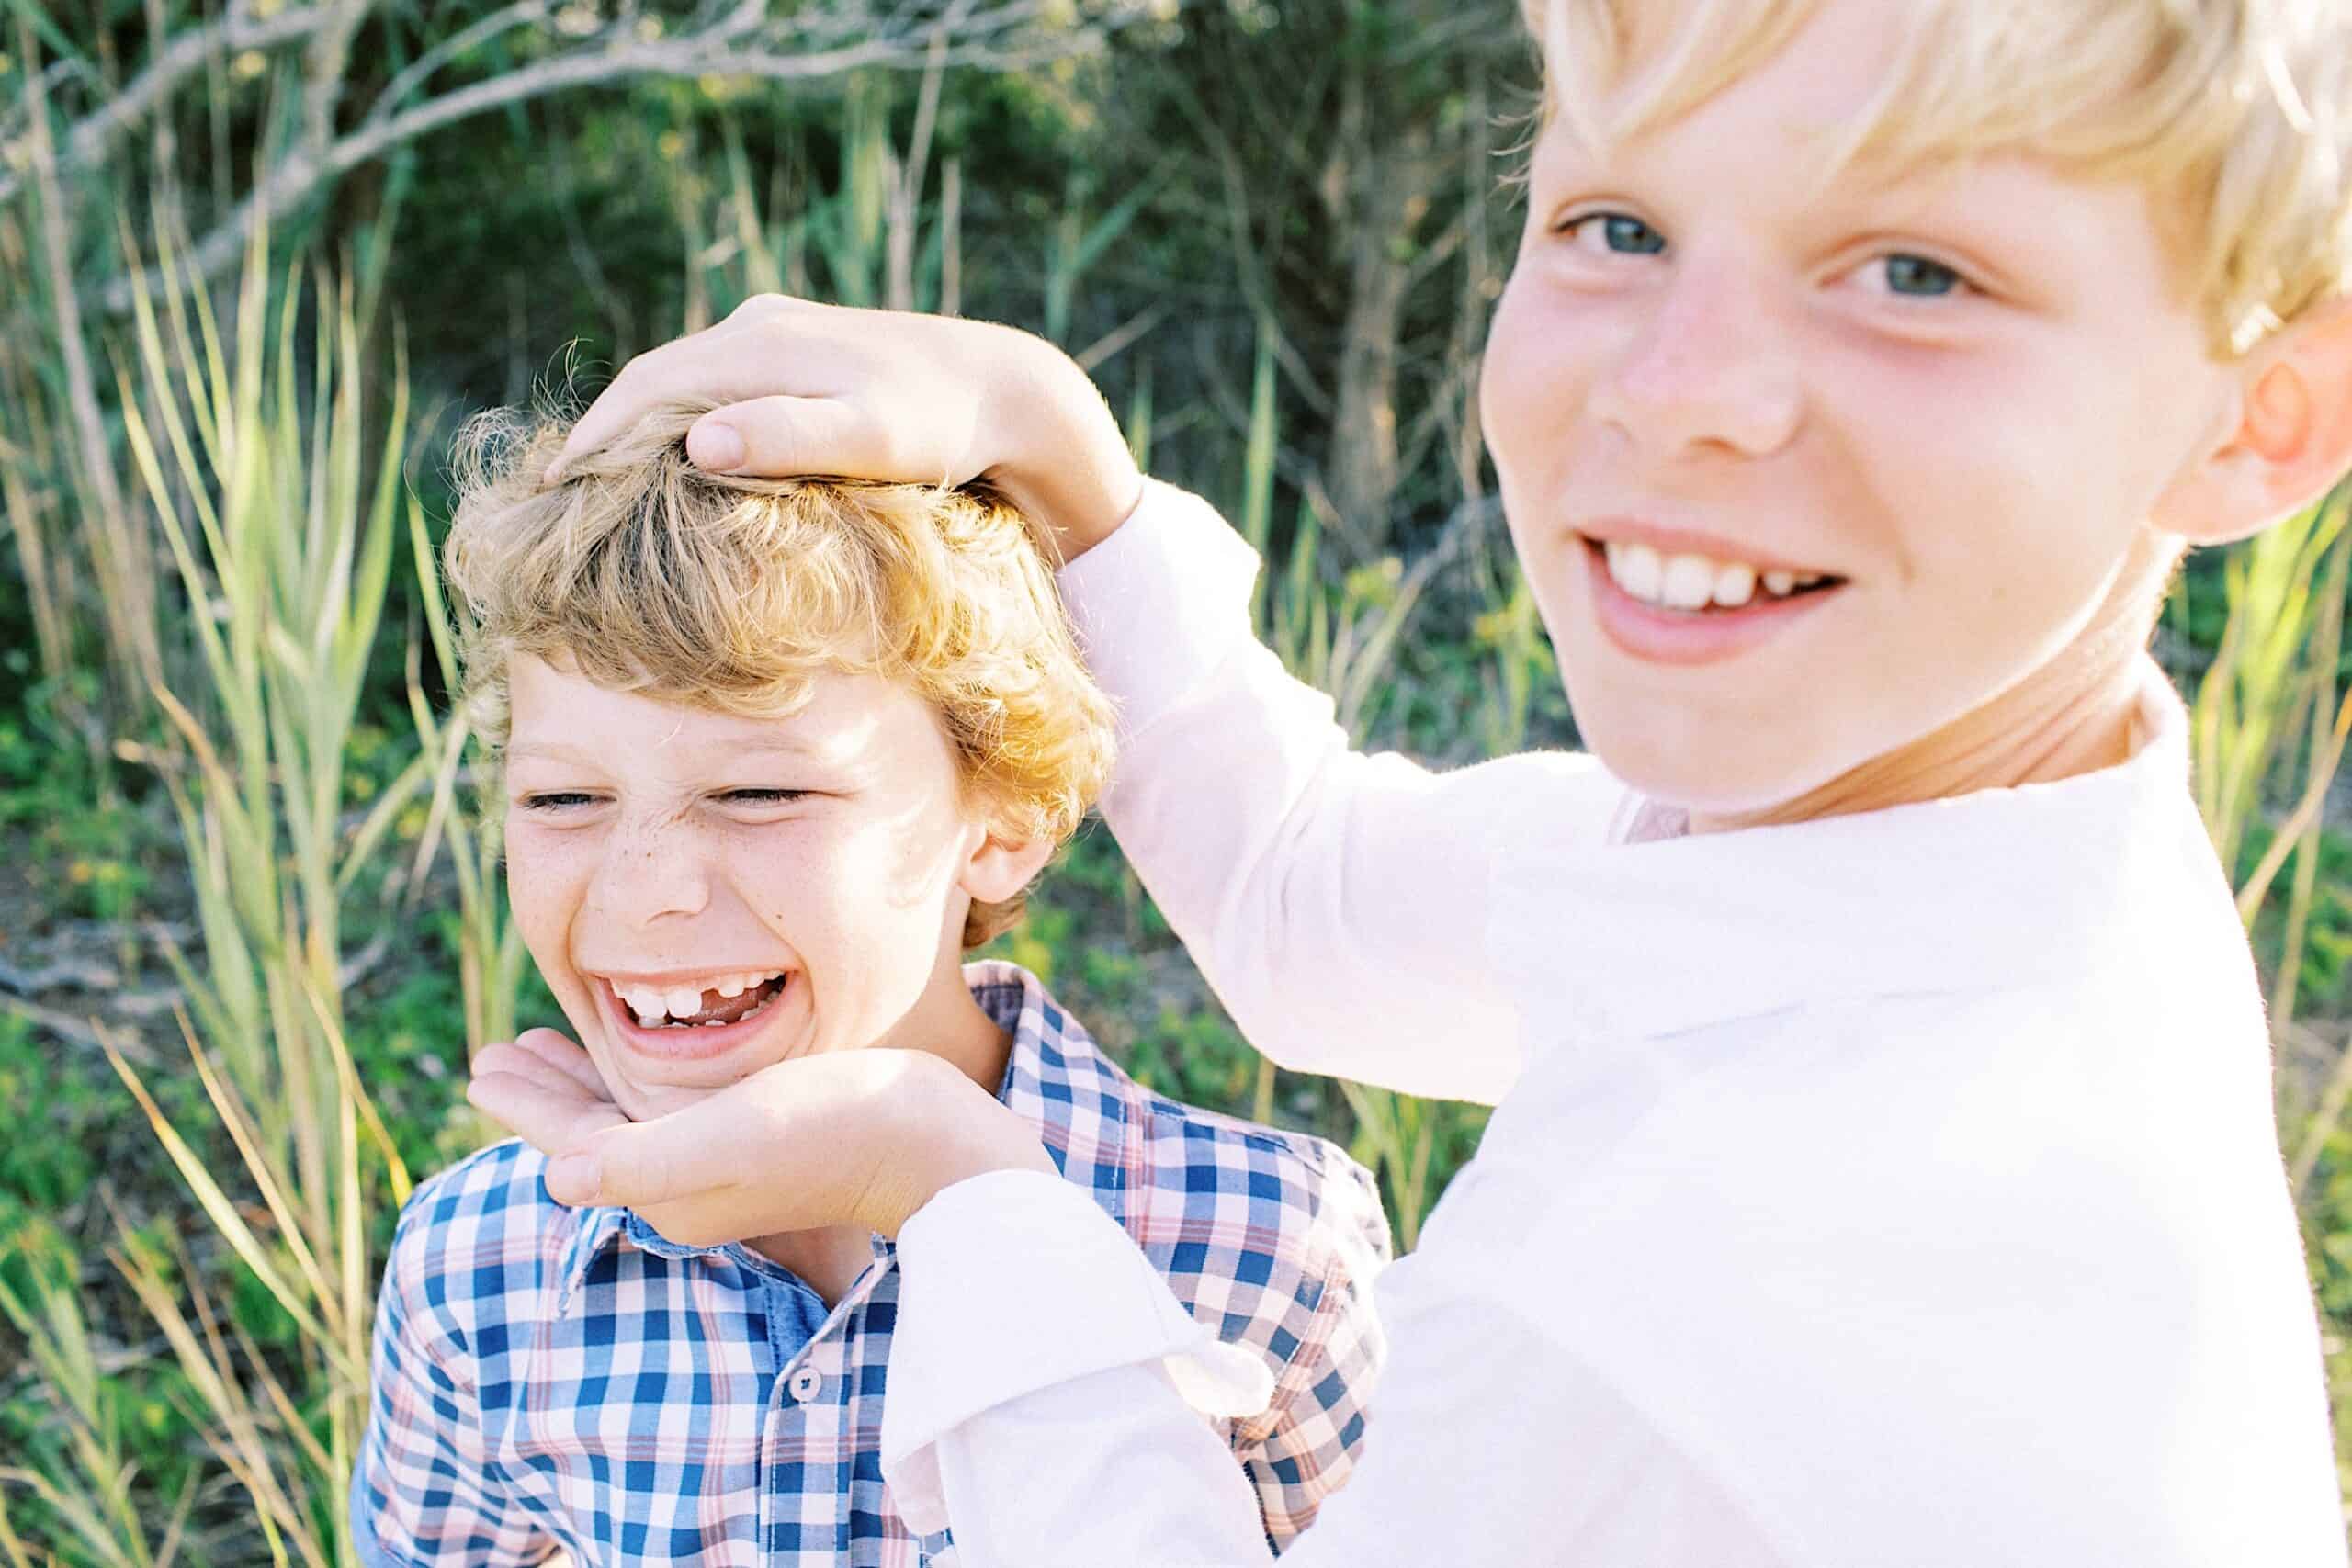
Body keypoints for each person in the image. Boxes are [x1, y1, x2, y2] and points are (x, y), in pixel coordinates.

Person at [469, 0, 2352, 1561]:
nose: (1680, 387)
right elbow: (1314, 899)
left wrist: (953, 1184)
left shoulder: (1671, 1304)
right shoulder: (1936, 857)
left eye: (1917, 272)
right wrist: (1060, 451)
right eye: (1613, 225)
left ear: (2258, 410)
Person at [351, 402, 1393, 1566]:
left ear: (999, 820)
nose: (643, 892)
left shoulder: (1265, 1255)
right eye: (561, 800)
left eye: (757, 794)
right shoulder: (475, 1269)